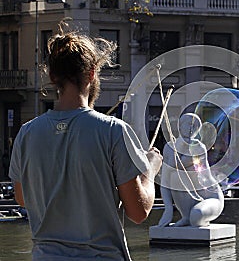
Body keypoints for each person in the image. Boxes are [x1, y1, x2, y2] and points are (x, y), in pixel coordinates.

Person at [9, 27, 163, 260]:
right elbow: (139, 212)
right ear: (92, 74)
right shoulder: (113, 130)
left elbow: (22, 198)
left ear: (52, 77)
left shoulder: (26, 133)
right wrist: (149, 170)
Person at [158, 113, 224, 227]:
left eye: (195, 127)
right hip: (190, 198)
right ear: (180, 126)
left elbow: (182, 166)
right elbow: (165, 182)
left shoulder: (199, 148)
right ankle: (186, 216)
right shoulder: (169, 148)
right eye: (188, 124)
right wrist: (168, 209)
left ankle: (191, 216)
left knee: (197, 215)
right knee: (174, 175)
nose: (191, 128)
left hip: (210, 197)